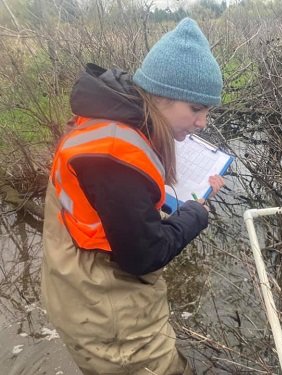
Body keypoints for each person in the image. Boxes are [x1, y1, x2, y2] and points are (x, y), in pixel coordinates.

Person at [41, 18, 224, 375]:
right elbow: (144, 255)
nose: (203, 122)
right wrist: (195, 213)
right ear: (162, 96)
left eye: (207, 111)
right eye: (196, 109)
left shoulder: (118, 114)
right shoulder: (115, 157)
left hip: (74, 275)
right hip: (100, 306)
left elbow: (119, 203)